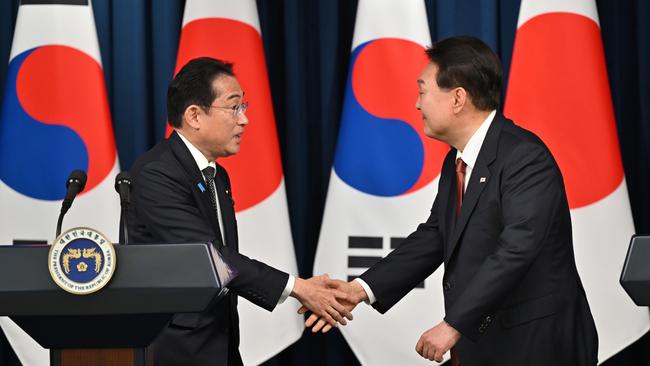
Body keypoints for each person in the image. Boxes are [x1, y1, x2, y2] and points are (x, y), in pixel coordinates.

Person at [306, 36, 598, 366]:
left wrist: (453, 324)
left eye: (423, 91)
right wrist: (360, 290)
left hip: (536, 346)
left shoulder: (524, 158)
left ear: (457, 98)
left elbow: (516, 250)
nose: (417, 105)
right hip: (486, 344)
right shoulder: (456, 160)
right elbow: (435, 236)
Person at [128, 57, 352, 366]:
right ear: (194, 115)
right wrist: (298, 288)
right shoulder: (157, 174)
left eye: (243, 107)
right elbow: (210, 257)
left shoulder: (216, 174)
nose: (244, 120)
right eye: (234, 108)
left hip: (220, 342)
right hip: (176, 348)